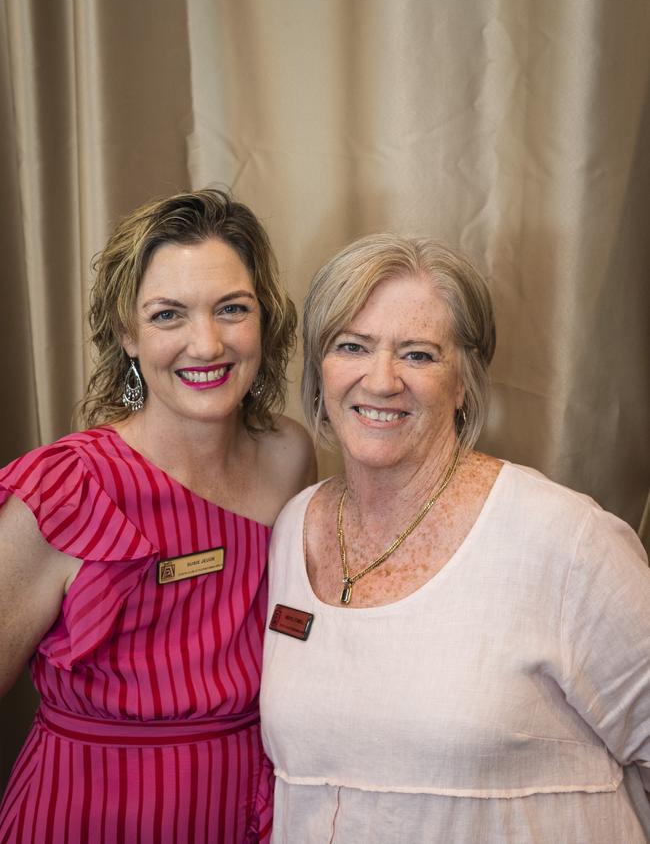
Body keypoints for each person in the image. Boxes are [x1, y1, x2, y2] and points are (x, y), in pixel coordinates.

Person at [261, 234, 650, 843]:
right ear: (319, 369)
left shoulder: (568, 541)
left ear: (464, 380)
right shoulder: (293, 527)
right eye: (352, 346)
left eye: (417, 354)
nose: (381, 380)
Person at [0, 188, 315, 844]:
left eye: (232, 309)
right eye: (169, 314)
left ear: (265, 319)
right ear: (127, 334)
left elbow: (299, 631)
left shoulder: (291, 457)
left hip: (245, 811)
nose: (207, 343)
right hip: (84, 817)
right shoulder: (66, 487)